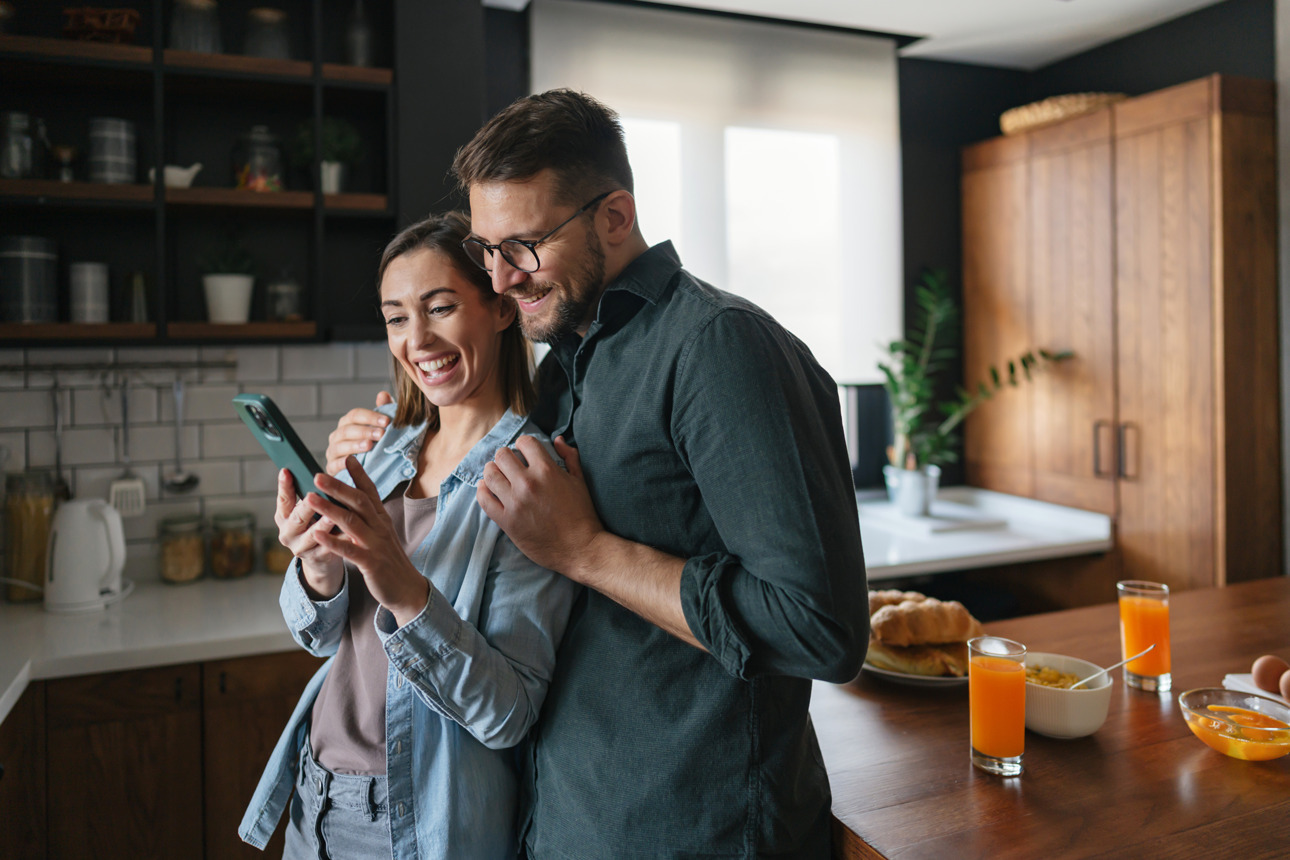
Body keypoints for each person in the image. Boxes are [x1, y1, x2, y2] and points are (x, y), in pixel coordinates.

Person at [327, 90, 869, 858]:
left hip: (691, 831)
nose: (502, 278)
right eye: (487, 249)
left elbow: (820, 629)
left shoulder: (720, 347)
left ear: (615, 217)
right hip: (566, 823)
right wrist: (402, 438)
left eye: (523, 246)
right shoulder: (564, 371)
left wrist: (584, 550)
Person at [240, 211, 579, 860]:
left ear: (501, 309)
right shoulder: (386, 448)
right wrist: (318, 567)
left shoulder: (530, 480)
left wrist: (400, 583)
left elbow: (507, 714)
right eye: (396, 317)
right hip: (316, 792)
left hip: (416, 821)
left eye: (440, 307)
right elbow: (318, 637)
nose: (417, 338)